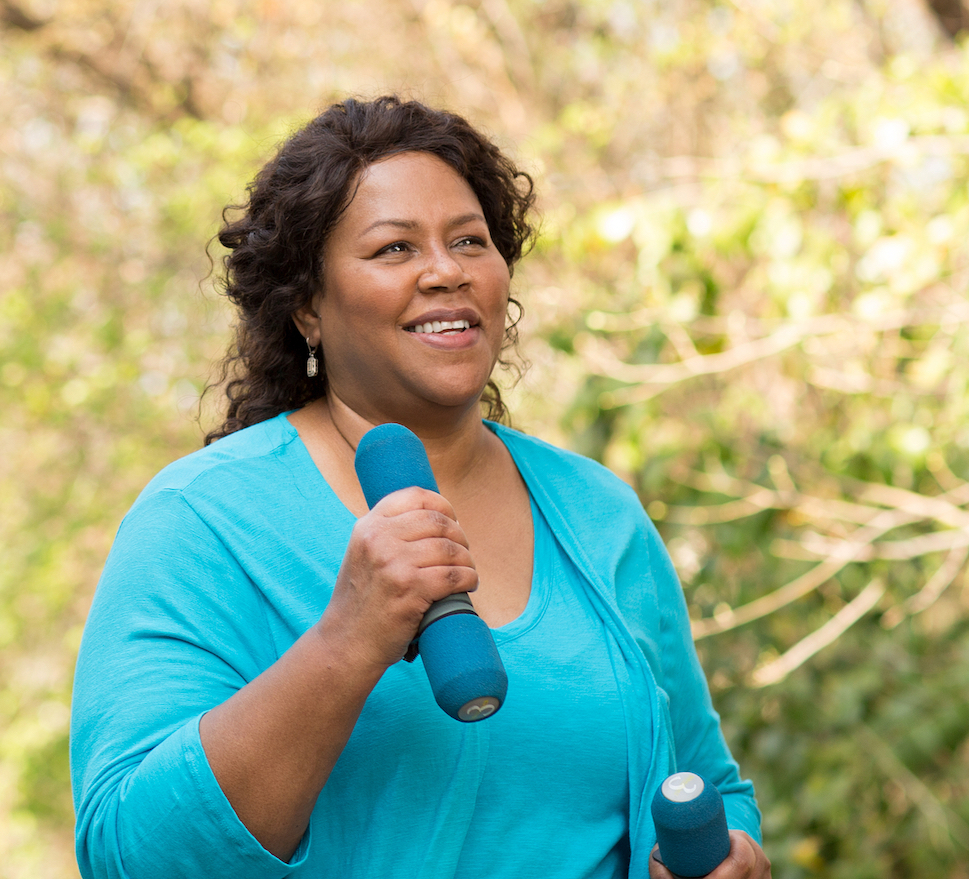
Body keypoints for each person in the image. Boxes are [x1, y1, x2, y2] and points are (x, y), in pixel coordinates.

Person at [70, 95, 770, 879]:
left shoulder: (599, 513)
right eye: (394, 248)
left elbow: (709, 784)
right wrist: (348, 640)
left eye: (469, 240)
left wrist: (729, 852)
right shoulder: (201, 520)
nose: (446, 271)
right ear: (306, 307)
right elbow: (132, 853)